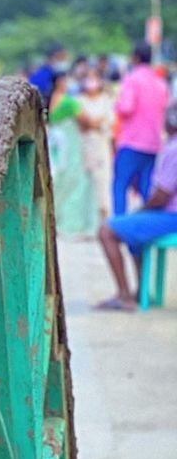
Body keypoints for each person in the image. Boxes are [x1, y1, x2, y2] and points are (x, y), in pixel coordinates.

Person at [97, 99, 177, 309]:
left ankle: (124, 295)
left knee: (107, 230)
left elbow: (161, 196)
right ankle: (140, 292)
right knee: (133, 227)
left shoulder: (174, 149)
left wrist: (141, 210)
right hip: (170, 215)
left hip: (172, 218)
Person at [112, 41, 168, 214]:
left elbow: (126, 107)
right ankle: (146, 232)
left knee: (120, 185)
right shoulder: (160, 82)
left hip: (132, 141)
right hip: (152, 143)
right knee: (146, 188)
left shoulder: (132, 79)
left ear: (135, 58)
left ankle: (118, 227)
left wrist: (117, 104)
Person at [47, 74, 96, 236]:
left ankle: (56, 219)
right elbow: (85, 121)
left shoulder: (52, 100)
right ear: (60, 82)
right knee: (76, 182)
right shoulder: (70, 102)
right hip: (71, 147)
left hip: (58, 148)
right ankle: (72, 223)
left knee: (60, 181)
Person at [78, 66, 114, 222]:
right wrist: (94, 123)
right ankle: (86, 219)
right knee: (86, 181)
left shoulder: (106, 100)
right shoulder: (79, 100)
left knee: (103, 179)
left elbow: (108, 122)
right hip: (85, 144)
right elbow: (82, 123)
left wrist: (95, 123)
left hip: (102, 143)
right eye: (88, 78)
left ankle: (104, 214)